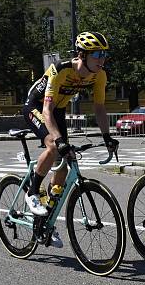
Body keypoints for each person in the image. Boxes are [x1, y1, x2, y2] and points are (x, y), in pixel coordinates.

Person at [22, 31, 119, 230]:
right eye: (97, 54)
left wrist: (107, 136)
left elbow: (99, 108)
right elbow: (46, 111)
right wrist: (59, 141)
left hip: (57, 110)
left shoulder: (99, 75)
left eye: (104, 54)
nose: (102, 59)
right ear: (82, 55)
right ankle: (32, 192)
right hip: (37, 106)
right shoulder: (61, 69)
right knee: (53, 145)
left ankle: (44, 219)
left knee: (63, 168)